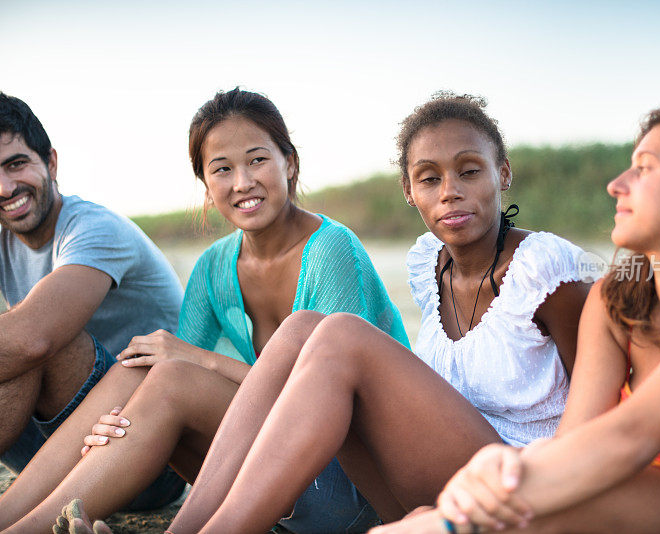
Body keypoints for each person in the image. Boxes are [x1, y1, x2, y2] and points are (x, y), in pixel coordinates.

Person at [77, 91, 601, 534]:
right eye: (429, 179)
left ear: (502, 173)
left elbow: (599, 416)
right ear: (408, 190)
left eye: (469, 171)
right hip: (431, 480)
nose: (450, 193)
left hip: (517, 487)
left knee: (339, 335)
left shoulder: (543, 270)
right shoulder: (429, 265)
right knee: (306, 328)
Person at [372, 100, 660, 533]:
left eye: (645, 168)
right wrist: (509, 465)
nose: (616, 184)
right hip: (619, 492)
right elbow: (576, 440)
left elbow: (633, 435)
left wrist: (471, 508)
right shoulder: (615, 298)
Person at [0, 87, 408, 534]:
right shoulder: (214, 266)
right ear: (207, 186)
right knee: (147, 364)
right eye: (222, 169)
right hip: (267, 475)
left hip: (354, 481)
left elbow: (334, 406)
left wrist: (200, 359)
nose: (242, 182)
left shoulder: (332, 249)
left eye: (257, 160)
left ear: (289, 163)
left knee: (174, 368)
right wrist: (107, 425)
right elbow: (164, 381)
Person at [0, 93, 186, 513]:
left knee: (39, 336)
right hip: (56, 448)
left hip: (150, 450)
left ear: (50, 162)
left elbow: (34, 339)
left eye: (16, 164)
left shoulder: (95, 228)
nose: (6, 188)